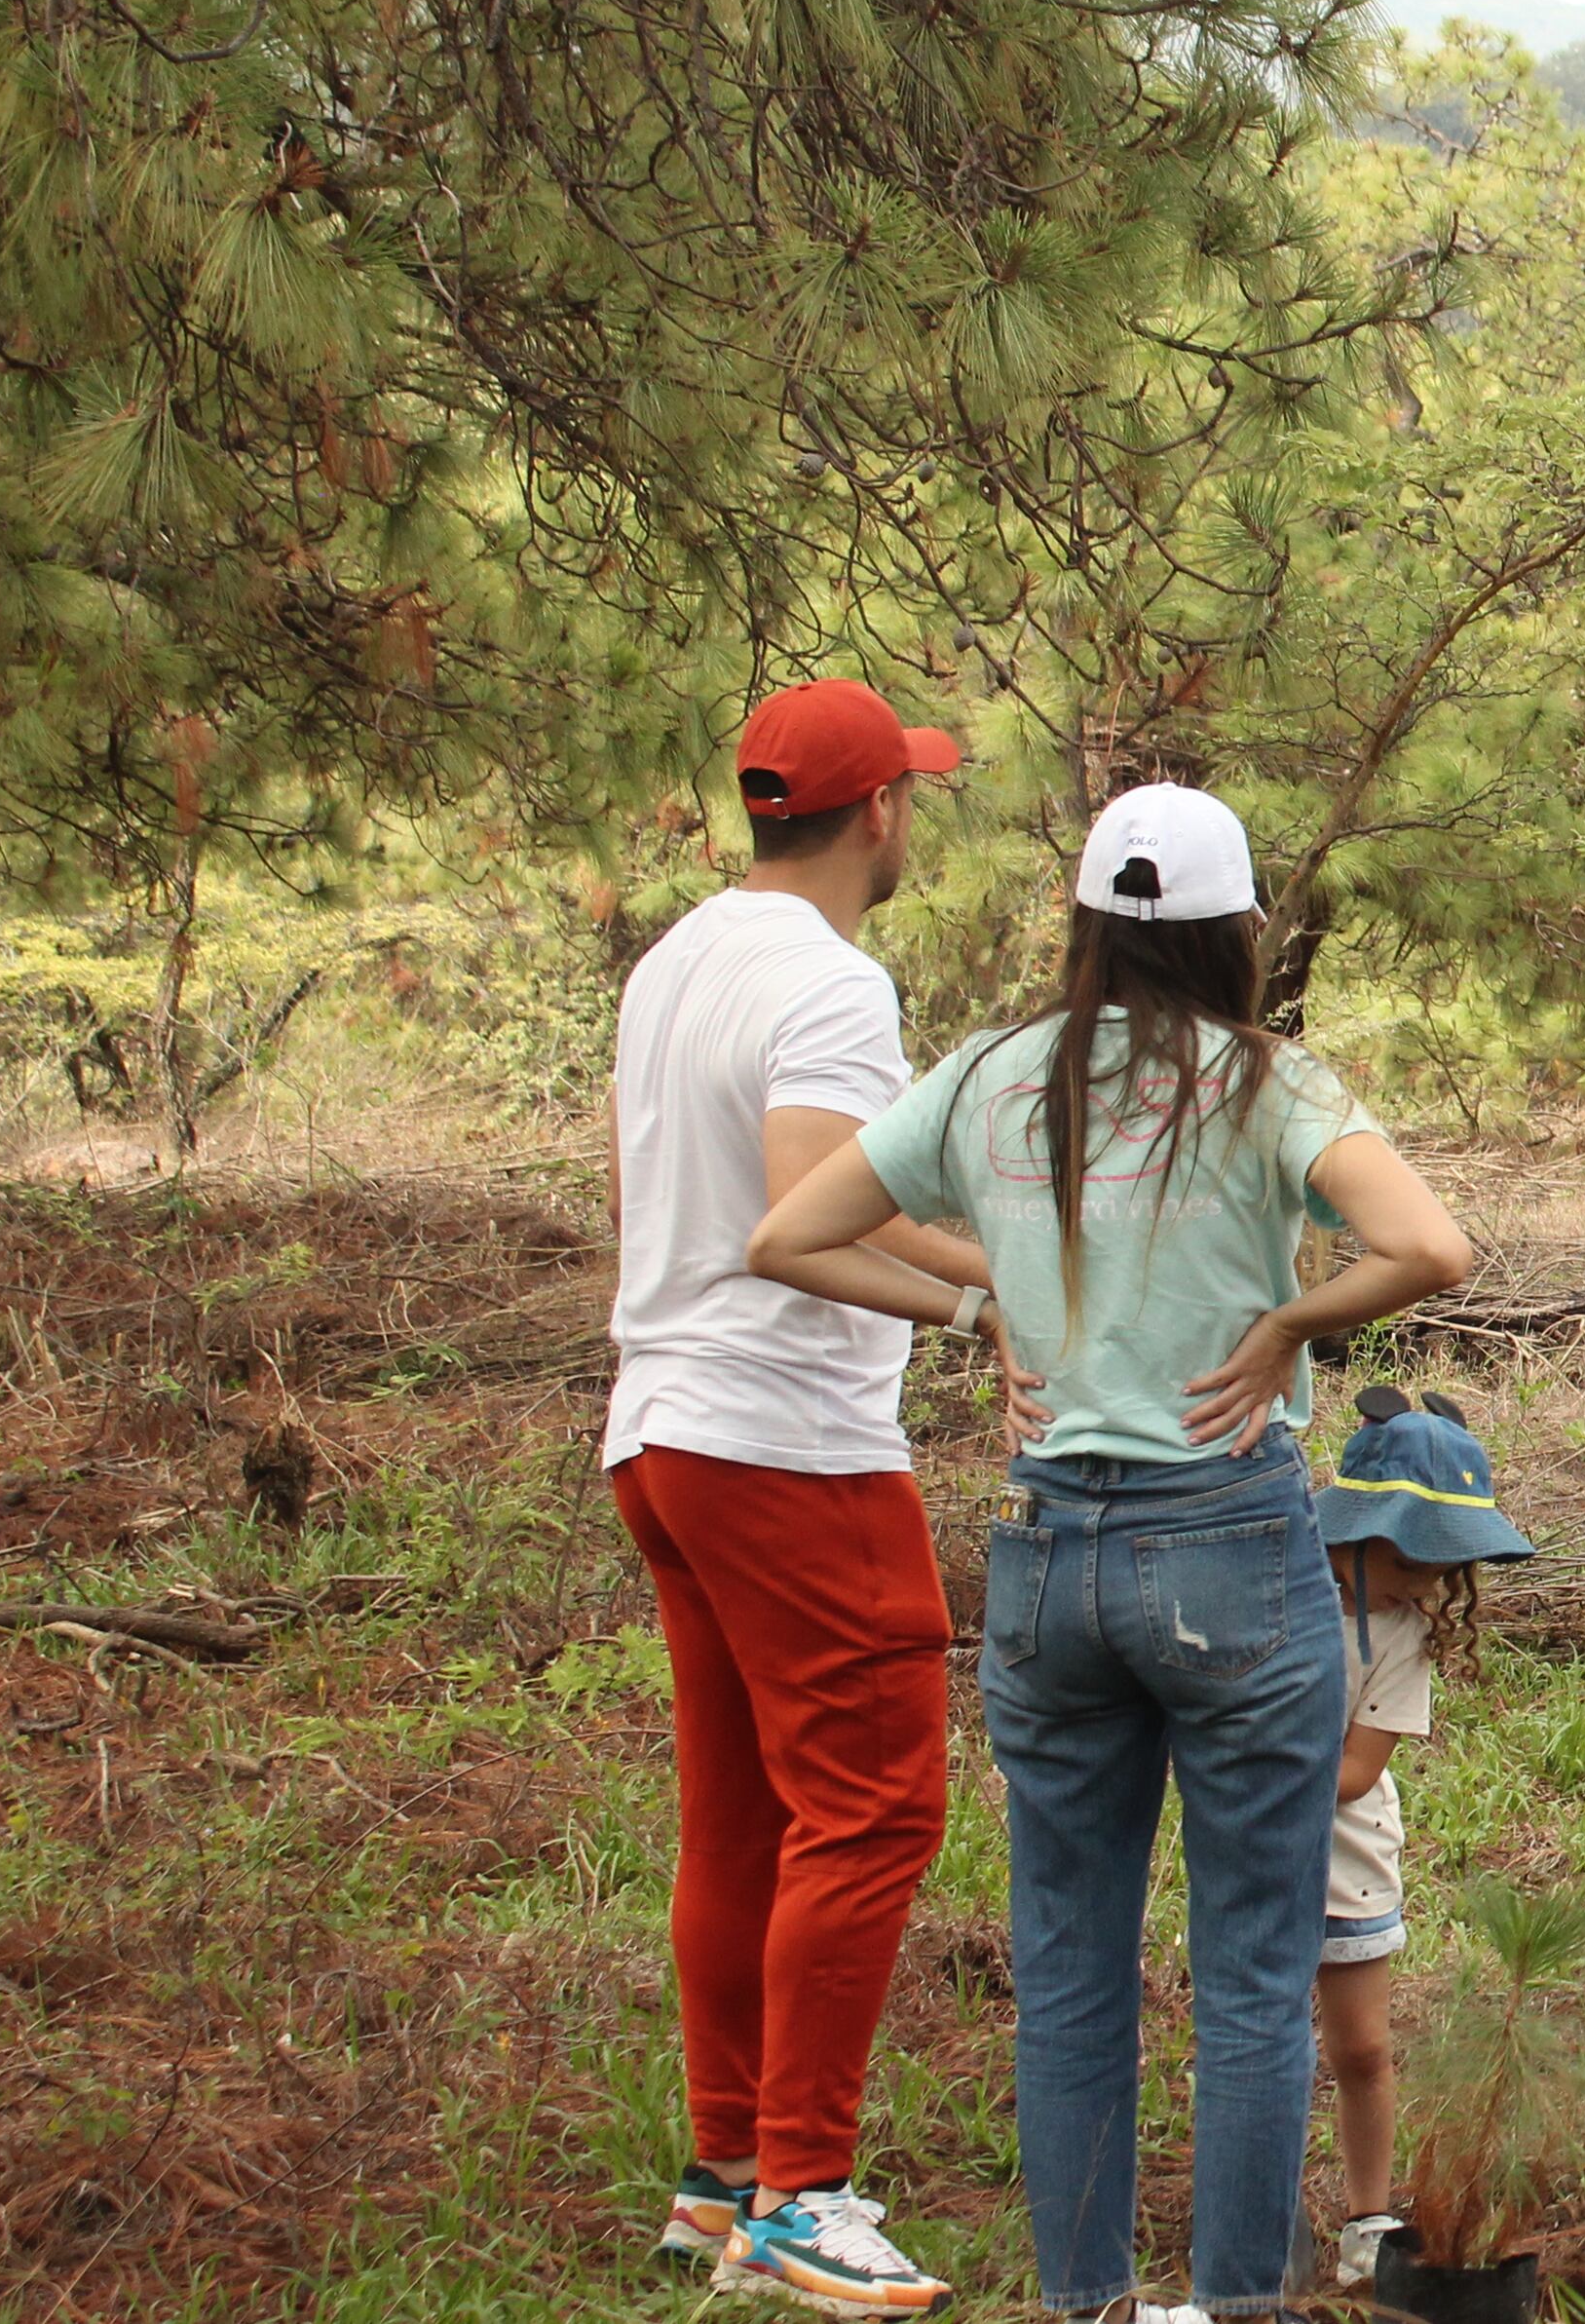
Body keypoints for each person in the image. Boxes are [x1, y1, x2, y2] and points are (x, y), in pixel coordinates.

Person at [749, 783, 1476, 2324]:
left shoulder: (993, 1076)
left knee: (1070, 1968)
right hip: (1227, 1548)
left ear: (1086, 921)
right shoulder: (1266, 1084)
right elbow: (1432, 1247)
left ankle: (1087, 2304)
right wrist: (1289, 1320)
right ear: (1233, 930)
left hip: (1047, 1555)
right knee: (1254, 1965)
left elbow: (789, 1236)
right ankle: (1234, 2306)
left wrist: (979, 1310)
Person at [606, 677, 1003, 2314]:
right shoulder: (832, 982)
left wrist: (983, 1267)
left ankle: (723, 2172)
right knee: (879, 1803)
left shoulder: (681, 955)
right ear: (883, 813)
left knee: (746, 1812)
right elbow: (813, 1206)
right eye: (912, 790)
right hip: (788, 1441)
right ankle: (801, 2193)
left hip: (663, 1425)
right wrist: (1000, 1305)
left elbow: (756, 1194)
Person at [1309, 1389, 1532, 2297]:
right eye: (1405, 1557)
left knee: (1360, 2050)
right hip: (1250, 1858)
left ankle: (1367, 2219)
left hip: (1346, 1863)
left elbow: (1355, 1772)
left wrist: (1243, 1772)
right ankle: (1260, 2209)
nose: (1421, 1585)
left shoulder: (1399, 1638)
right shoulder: (1273, 1590)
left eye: (1440, 1569)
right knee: (1262, 2047)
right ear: (1346, 1529)